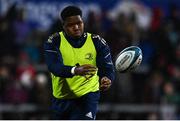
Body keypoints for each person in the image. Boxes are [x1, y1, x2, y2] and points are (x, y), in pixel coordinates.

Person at [44, 5, 115, 120]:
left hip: (87, 96)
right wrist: (75, 70)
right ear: (64, 26)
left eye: (79, 23)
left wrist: (107, 78)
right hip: (61, 99)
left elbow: (107, 67)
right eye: (71, 25)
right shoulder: (54, 42)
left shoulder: (97, 42)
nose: (76, 27)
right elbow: (54, 67)